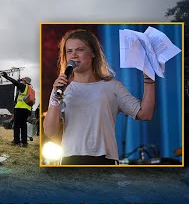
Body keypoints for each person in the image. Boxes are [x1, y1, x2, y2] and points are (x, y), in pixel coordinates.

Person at [43, 29, 155, 165]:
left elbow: (145, 114)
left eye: (80, 50)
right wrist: (55, 96)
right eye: (69, 51)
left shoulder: (112, 86)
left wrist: (149, 80)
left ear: (93, 53)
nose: (74, 56)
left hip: (105, 160)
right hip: (71, 159)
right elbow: (49, 131)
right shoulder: (60, 89)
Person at [0, 72, 33, 147]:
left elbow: (14, 82)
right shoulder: (31, 89)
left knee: (17, 125)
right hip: (27, 109)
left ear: (25, 81)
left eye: (23, 80)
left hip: (19, 108)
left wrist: (6, 76)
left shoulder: (23, 86)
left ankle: (16, 142)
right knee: (24, 125)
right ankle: (24, 142)